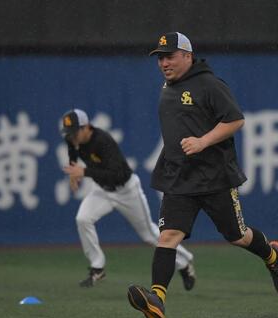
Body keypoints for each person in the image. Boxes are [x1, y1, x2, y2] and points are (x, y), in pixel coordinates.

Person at [127, 32, 278, 318]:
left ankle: (272, 256)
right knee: (168, 236)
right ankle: (157, 299)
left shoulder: (209, 84)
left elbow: (235, 119)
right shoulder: (169, 86)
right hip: (179, 178)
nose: (164, 62)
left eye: (170, 56)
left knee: (237, 236)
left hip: (214, 176)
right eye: (160, 58)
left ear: (188, 56)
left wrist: (203, 142)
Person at [60, 108, 196, 289]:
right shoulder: (73, 139)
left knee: (149, 235)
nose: (72, 136)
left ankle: (184, 263)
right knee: (83, 219)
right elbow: (72, 151)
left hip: (126, 190)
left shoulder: (103, 141)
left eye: (75, 131)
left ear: (87, 127)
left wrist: (83, 172)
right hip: (102, 191)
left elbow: (117, 175)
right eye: (69, 133)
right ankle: (97, 266)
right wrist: (73, 171)